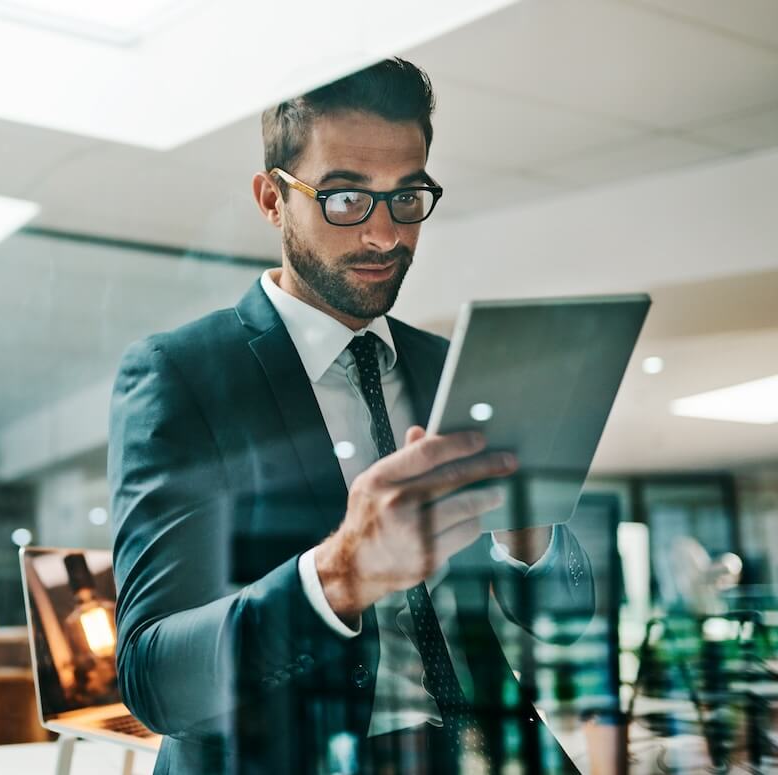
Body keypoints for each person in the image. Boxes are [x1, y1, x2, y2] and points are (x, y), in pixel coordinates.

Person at [109, 58, 594, 775]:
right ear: (273, 199)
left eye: (407, 198)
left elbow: (565, 618)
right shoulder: (181, 374)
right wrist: (339, 575)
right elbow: (156, 677)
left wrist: (529, 540)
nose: (384, 236)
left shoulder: (452, 367)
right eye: (344, 199)